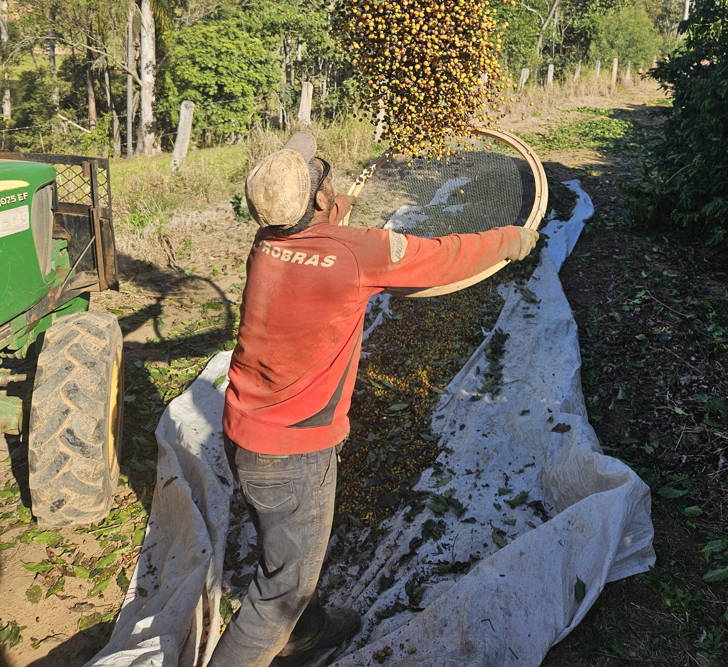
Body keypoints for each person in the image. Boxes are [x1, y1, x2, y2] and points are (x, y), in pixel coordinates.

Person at [209, 131, 539, 667]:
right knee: (278, 593)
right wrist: (508, 239)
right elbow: (445, 255)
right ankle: (277, 632)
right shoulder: (356, 253)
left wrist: (333, 203)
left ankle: (306, 633)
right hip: (294, 454)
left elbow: (320, 239)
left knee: (284, 553)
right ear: (319, 200)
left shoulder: (266, 242)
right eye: (323, 172)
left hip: (241, 432)